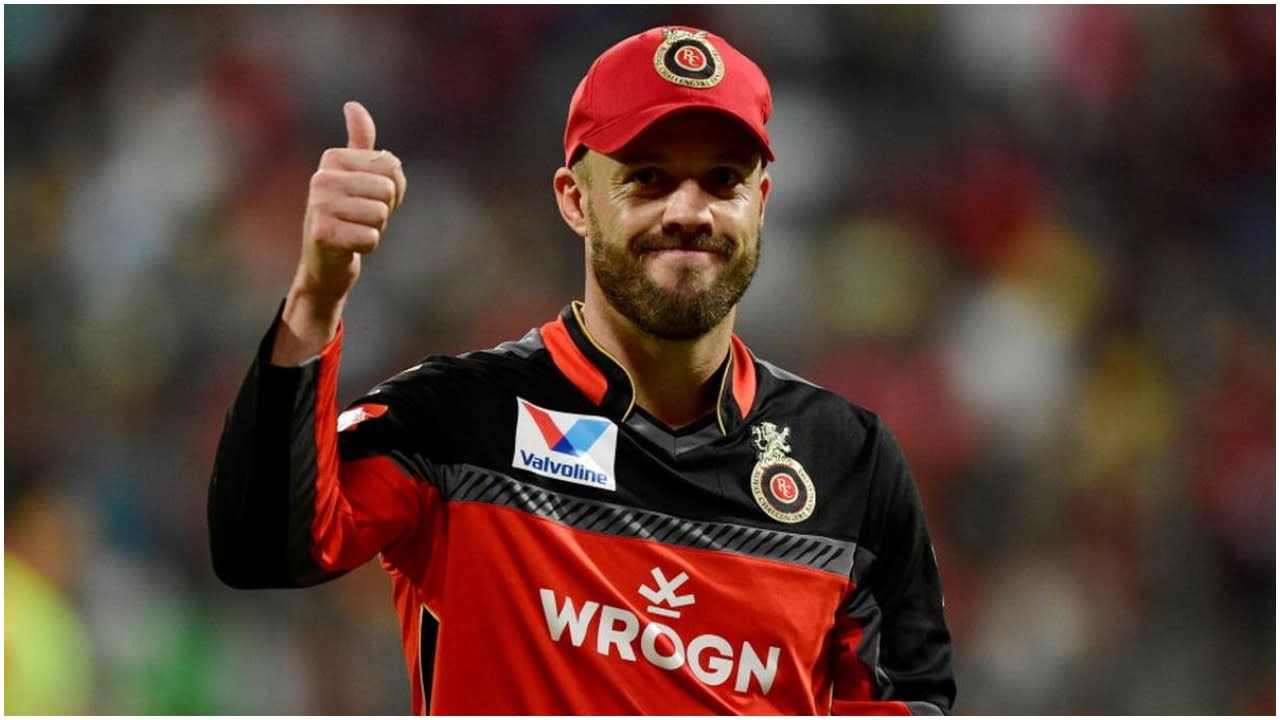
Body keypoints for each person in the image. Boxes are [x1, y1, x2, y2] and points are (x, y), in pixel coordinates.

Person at [209, 25, 955, 715]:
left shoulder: (850, 462)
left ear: (760, 203)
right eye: (648, 178)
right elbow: (261, 547)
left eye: (722, 179)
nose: (688, 210)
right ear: (575, 201)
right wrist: (316, 295)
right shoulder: (460, 419)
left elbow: (909, 701)